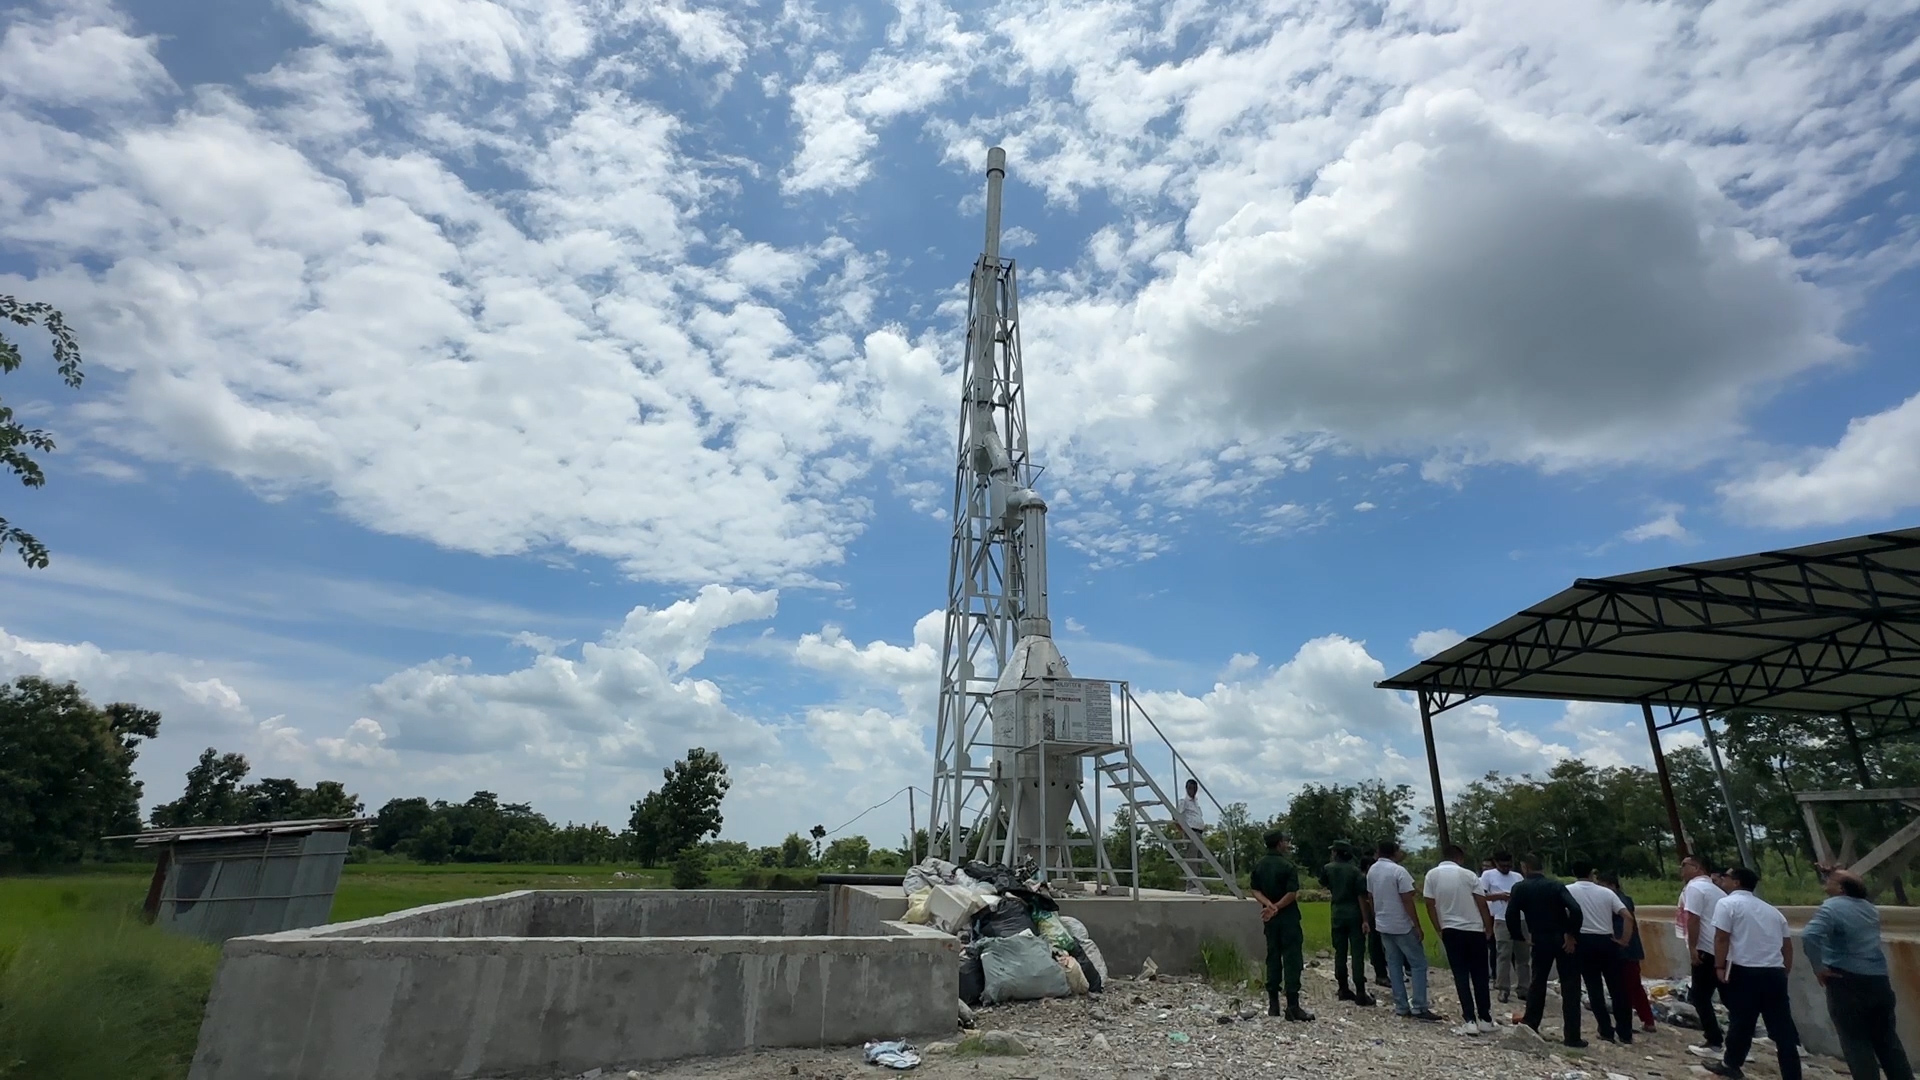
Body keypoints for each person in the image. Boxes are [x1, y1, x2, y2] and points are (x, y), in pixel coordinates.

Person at [1803, 866, 1910, 1080]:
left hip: (1846, 981)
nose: (1826, 882)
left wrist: (1819, 968)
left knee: (1856, 1043)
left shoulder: (1831, 907)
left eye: (1830, 880)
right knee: (1888, 1042)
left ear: (1841, 889)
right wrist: (1831, 872)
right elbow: (1848, 882)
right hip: (1878, 981)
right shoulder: (1870, 909)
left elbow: (1809, 936)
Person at [1705, 865, 1802, 1080]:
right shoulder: (1771, 910)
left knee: (1741, 1021)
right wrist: (1784, 969)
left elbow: (1722, 937)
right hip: (1774, 972)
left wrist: (1719, 966)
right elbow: (1787, 945)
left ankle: (1731, 1063)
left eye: (1727, 877)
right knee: (1782, 1029)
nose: (1722, 880)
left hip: (1745, 971)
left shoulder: (1727, 904)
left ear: (1736, 882)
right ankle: (1792, 1074)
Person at [1508, 854, 1585, 1047]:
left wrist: (1520, 936)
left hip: (1539, 938)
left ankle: (1531, 1023)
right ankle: (1572, 1036)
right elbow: (1575, 910)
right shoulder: (1556, 885)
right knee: (1570, 986)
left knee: (1537, 981)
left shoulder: (1520, 888)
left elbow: (1511, 915)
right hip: (1562, 938)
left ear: (1524, 867)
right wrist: (1571, 934)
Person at [1363, 840, 1443, 1022]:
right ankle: (1420, 1005)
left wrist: (1377, 916)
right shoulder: (1399, 871)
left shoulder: (1373, 871)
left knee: (1394, 963)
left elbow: (1371, 897)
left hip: (1383, 923)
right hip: (1401, 924)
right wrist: (1417, 924)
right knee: (1418, 963)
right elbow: (1407, 899)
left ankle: (1401, 1005)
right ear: (1394, 852)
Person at [1423, 843, 1496, 1035]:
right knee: (1480, 975)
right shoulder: (1469, 875)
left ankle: (1469, 1020)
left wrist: (1439, 928)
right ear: (1460, 858)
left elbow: (1429, 904)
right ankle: (1485, 1019)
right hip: (1474, 929)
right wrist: (1488, 927)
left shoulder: (1432, 875)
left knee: (1461, 975)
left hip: (1451, 930)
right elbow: (1482, 904)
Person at [1566, 862, 1636, 1045]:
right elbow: (1627, 916)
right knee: (1618, 988)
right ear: (1592, 873)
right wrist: (1624, 940)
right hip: (1607, 941)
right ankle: (1625, 1032)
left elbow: (1564, 915)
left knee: (1594, 988)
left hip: (1583, 941)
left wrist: (1569, 936)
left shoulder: (1568, 890)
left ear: (1574, 873)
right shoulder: (1606, 892)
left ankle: (1605, 1030)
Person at [1250, 829, 1312, 1021]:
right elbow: (1292, 893)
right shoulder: (1288, 866)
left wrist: (1268, 905)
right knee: (1292, 960)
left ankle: (1273, 1005)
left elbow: (1254, 889)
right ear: (1279, 843)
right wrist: (1276, 906)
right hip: (1288, 918)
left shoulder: (1259, 865)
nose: (1287, 844)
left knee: (1273, 958)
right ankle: (1293, 1006)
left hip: (1270, 919)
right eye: (1285, 841)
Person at [1681, 854, 1731, 1058]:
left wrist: (1692, 948)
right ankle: (1735, 1044)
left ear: (1697, 867)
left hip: (1706, 949)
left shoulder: (1695, 888)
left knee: (1700, 997)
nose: (1681, 869)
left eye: (1684, 865)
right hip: (1723, 951)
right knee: (1729, 998)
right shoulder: (1715, 889)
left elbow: (1693, 918)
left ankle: (1714, 1041)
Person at [1599, 870, 1655, 1033]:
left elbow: (1626, 920)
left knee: (1626, 988)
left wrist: (1622, 941)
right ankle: (1646, 1020)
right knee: (1632, 986)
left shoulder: (1617, 901)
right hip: (1630, 949)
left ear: (1610, 885)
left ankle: (1633, 1022)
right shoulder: (1624, 899)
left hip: (1624, 949)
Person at [1324, 840, 1376, 1006]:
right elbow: (1362, 897)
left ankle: (1343, 988)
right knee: (1357, 953)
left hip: (1337, 913)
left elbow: (1326, 884)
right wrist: (1366, 919)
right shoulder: (1355, 872)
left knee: (1340, 952)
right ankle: (1360, 991)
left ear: (1336, 853)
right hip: (1354, 913)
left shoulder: (1328, 869)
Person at [1481, 850, 1529, 1004]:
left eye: (1508, 865)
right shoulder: (1488, 876)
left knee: (1523, 956)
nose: (1506, 868)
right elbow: (1481, 896)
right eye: (1503, 865)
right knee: (1503, 954)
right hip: (1502, 918)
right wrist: (1500, 896)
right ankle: (1503, 988)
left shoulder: (1517, 877)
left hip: (1520, 918)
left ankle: (1524, 987)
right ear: (1496, 863)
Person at [1177, 779, 1207, 895]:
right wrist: (1184, 831)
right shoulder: (1183, 801)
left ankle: (1197, 884)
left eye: (1194, 788)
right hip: (1191, 832)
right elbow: (1176, 817)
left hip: (1199, 832)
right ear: (1186, 788)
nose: (1192, 790)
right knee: (1192, 859)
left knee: (1198, 859)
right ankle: (1190, 885)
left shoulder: (1196, 803)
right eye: (1190, 788)